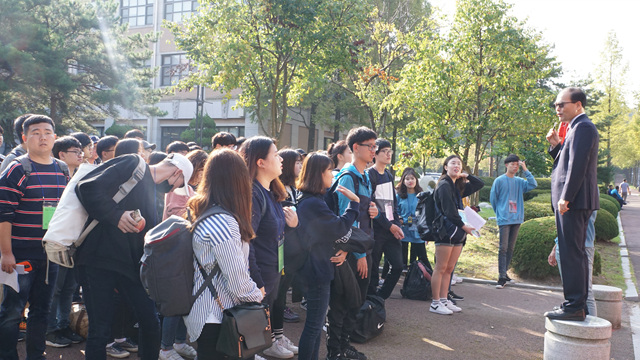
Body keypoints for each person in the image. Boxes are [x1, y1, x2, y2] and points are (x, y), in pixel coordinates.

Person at [75, 153, 193, 360]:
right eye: (178, 184)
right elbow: (86, 186)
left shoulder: (156, 193)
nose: (173, 189)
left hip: (131, 265)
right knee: (100, 330)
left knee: (150, 322)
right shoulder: (133, 163)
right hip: (98, 260)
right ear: (178, 172)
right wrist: (115, 215)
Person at [183, 149, 263, 359]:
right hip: (218, 317)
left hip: (211, 314)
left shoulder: (208, 212)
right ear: (237, 180)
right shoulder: (224, 222)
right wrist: (257, 296)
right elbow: (237, 279)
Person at [0, 115, 69, 360]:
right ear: (25, 138)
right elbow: (3, 214)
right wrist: (6, 253)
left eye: (47, 132)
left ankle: (36, 355)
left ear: (55, 137)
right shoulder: (18, 168)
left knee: (41, 310)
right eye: (36, 132)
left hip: (50, 256)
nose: (42, 136)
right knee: (12, 311)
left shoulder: (62, 169)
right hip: (19, 256)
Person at [296, 152, 360, 360]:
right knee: (314, 326)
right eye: (328, 171)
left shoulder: (312, 199)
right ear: (318, 174)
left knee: (315, 325)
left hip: (314, 267)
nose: (332, 175)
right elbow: (339, 227)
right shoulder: (313, 203)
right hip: (316, 269)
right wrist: (354, 204)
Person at [240, 136, 299, 359]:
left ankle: (265, 346)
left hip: (273, 270)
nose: (281, 158)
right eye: (275, 154)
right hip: (261, 275)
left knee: (263, 321)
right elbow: (247, 241)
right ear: (260, 162)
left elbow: (274, 234)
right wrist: (258, 280)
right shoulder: (253, 194)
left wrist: (292, 225)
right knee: (250, 329)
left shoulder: (272, 192)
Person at [544, 87, 599, 321]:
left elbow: (578, 166)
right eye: (555, 105)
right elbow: (565, 162)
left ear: (578, 105)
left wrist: (566, 197)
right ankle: (576, 304)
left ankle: (575, 305)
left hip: (574, 202)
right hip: (573, 201)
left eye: (561, 104)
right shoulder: (575, 128)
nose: (557, 109)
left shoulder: (583, 127)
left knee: (572, 253)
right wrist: (557, 145)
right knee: (571, 252)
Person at [328, 126, 378, 360]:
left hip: (361, 247)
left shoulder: (364, 175)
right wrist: (356, 255)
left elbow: (360, 213)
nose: (374, 151)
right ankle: (334, 352)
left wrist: (373, 211)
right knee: (341, 303)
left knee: (355, 301)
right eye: (370, 146)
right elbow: (343, 219)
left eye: (375, 146)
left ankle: (345, 346)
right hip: (349, 252)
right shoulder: (347, 177)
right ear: (355, 148)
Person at [430, 155, 484, 315]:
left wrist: (467, 176)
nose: (456, 166)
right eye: (452, 163)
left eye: (459, 164)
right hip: (446, 231)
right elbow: (449, 212)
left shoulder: (456, 186)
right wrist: (465, 227)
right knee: (440, 268)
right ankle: (435, 302)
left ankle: (444, 299)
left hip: (457, 231)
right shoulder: (444, 185)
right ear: (445, 167)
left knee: (449, 268)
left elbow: (479, 184)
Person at [490, 154, 537, 288]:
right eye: (512, 164)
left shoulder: (520, 182)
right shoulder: (499, 180)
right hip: (504, 219)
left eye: (517, 165)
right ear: (506, 165)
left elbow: (533, 184)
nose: (515, 167)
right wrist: (500, 213)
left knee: (510, 247)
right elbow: (493, 199)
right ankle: (501, 277)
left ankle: (504, 273)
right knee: (503, 248)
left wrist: (526, 169)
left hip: (516, 219)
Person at [270, 149, 303, 334]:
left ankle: (278, 335)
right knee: (278, 293)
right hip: (281, 249)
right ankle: (275, 336)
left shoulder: (294, 188)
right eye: (297, 162)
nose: (300, 166)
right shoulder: (278, 189)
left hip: (293, 251)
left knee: (282, 292)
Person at [367, 139, 404, 300]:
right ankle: (371, 303)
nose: (389, 154)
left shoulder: (389, 175)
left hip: (391, 229)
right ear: (375, 153)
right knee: (373, 271)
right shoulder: (370, 175)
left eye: (390, 151)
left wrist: (396, 224)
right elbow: (372, 207)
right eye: (385, 151)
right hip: (376, 230)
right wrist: (389, 226)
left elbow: (392, 204)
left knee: (398, 266)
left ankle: (380, 299)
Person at [548, 210, 598, 317]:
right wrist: (556, 247)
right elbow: (567, 225)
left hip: (581, 245)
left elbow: (576, 222)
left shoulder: (586, 194)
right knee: (574, 289)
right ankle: (571, 309)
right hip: (569, 244)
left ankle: (592, 330)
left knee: (585, 292)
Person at [396, 167, 430, 268]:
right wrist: (399, 218)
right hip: (403, 230)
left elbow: (426, 212)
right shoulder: (399, 196)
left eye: (412, 178)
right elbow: (395, 210)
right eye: (407, 179)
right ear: (403, 181)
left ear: (416, 180)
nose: (410, 181)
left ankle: (427, 278)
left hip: (417, 230)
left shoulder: (421, 195)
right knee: (402, 258)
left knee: (420, 256)